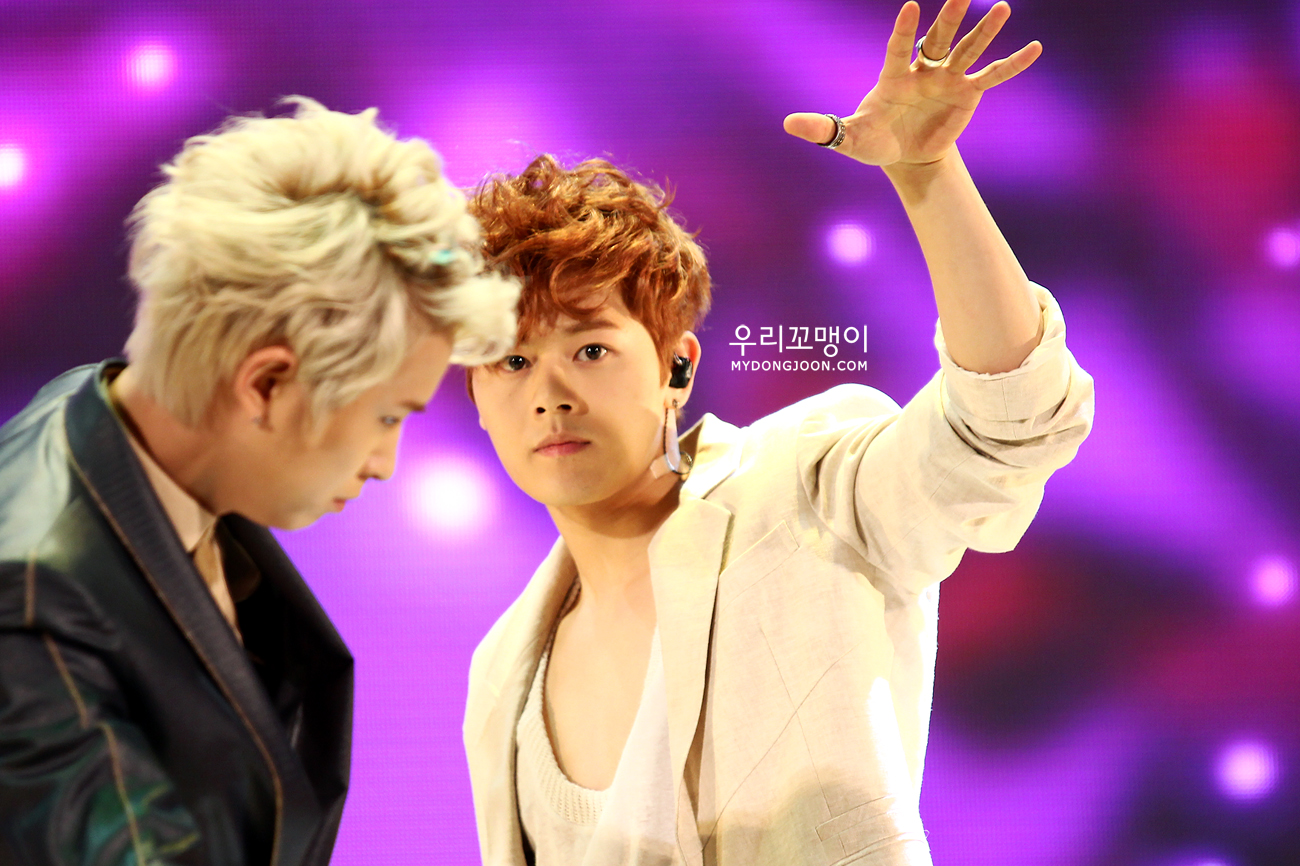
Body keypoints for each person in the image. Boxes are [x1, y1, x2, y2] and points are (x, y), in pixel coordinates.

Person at [460, 1, 1095, 864]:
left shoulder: (804, 489)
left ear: (676, 366)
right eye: (510, 361)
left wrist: (928, 174)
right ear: (476, 393)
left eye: (591, 348)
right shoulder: (502, 673)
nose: (550, 395)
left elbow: (1006, 423)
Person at [0, 98, 519, 865]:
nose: (386, 463)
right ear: (267, 384)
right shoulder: (32, 618)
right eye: (388, 416)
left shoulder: (110, 411)